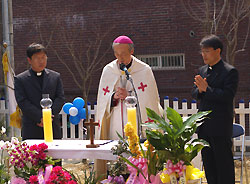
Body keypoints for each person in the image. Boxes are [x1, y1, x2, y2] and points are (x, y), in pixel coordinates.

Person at [95, 35, 162, 178]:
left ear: (132, 52)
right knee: (116, 165)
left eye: (123, 54)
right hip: (115, 125)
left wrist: (130, 95)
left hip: (137, 124)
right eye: (117, 54)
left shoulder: (144, 70)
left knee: (138, 163)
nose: (120, 58)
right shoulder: (108, 70)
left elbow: (150, 101)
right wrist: (113, 97)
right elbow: (102, 101)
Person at [192, 35, 238, 184]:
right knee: (209, 166)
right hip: (204, 127)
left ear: (218, 51)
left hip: (219, 127)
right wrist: (200, 90)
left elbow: (227, 96)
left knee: (223, 166)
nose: (203, 54)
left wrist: (206, 89)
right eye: (202, 51)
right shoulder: (203, 70)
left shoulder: (229, 71)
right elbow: (194, 93)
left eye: (207, 51)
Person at [14, 43, 65, 140]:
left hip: (52, 125)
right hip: (32, 126)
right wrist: (40, 117)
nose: (41, 61)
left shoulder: (55, 77)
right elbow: (22, 101)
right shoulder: (21, 79)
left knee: (55, 154)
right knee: (32, 154)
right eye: (37, 58)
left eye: (43, 57)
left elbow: (60, 98)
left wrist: (48, 117)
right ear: (29, 60)